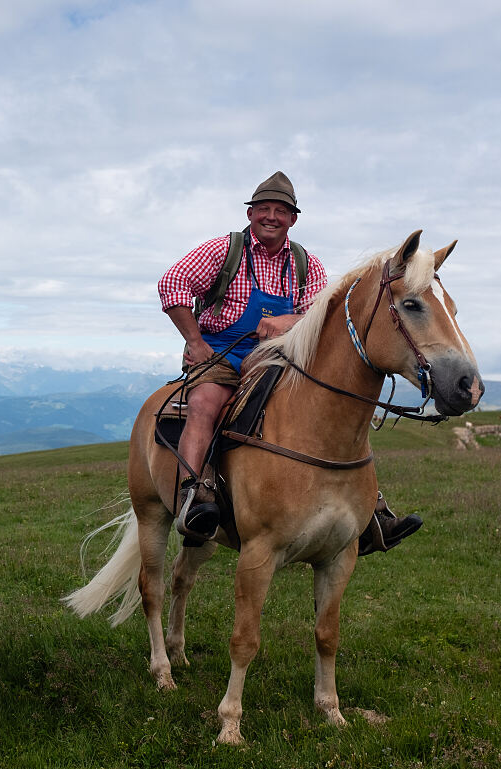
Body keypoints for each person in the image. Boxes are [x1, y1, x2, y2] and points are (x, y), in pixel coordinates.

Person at [158, 171, 422, 551]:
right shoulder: (223, 251)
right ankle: (193, 495)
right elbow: (173, 283)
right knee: (205, 404)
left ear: (293, 219)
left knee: (333, 409)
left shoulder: (304, 264)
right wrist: (195, 342)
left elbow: (324, 313)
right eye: (263, 208)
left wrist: (288, 321)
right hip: (221, 351)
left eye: (280, 211)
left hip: (277, 355)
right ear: (250, 214)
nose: (271, 216)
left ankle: (370, 510)